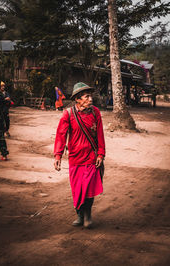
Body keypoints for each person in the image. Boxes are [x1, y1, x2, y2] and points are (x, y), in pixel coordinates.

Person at [54, 82, 105, 228]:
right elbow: (61, 135)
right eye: (86, 96)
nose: (90, 99)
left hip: (91, 157)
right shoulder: (68, 114)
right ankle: (79, 214)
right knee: (77, 188)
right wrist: (58, 156)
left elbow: (100, 135)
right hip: (75, 158)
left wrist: (100, 154)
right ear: (77, 99)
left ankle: (88, 214)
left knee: (89, 187)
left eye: (90, 96)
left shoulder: (95, 112)